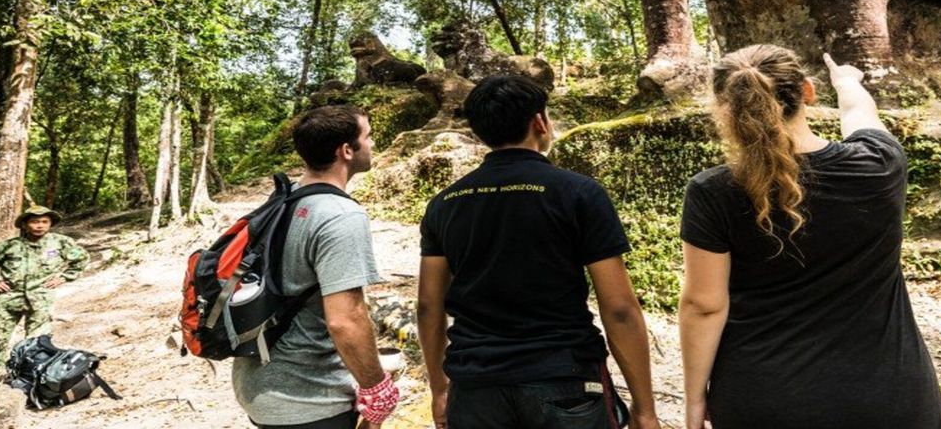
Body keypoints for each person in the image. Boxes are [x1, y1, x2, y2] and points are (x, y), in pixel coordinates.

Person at [678, 45, 941, 429]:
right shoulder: (878, 166)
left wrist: (694, 401)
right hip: (889, 397)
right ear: (807, 91)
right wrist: (845, 82)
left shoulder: (713, 191)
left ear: (725, 107)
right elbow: (860, 114)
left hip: (766, 400)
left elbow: (704, 306)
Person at [418, 75, 661, 429]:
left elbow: (428, 305)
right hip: (564, 377)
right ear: (539, 122)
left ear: (479, 132)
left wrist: (440, 389)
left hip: (475, 387)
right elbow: (620, 308)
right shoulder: (579, 193)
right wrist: (644, 409)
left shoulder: (445, 203)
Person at [232, 104, 398, 429]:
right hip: (310, 399)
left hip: (258, 385)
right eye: (369, 137)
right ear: (347, 150)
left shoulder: (282, 200)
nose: (374, 144)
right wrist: (377, 388)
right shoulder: (340, 216)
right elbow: (345, 320)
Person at [0, 205, 89, 376]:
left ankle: (30, 378)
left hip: (41, 299)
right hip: (9, 299)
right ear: (25, 224)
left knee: (37, 343)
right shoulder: (9, 246)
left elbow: (81, 259)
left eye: (45, 222)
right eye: (35, 222)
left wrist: (64, 277)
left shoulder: (60, 243)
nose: (40, 226)